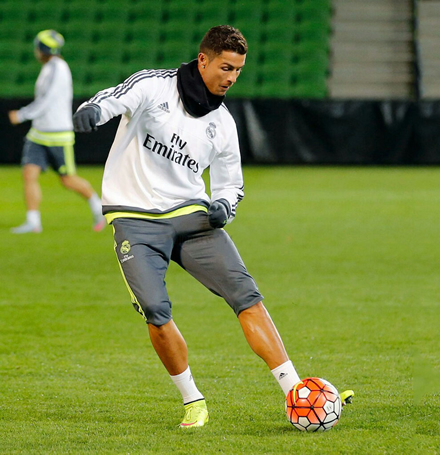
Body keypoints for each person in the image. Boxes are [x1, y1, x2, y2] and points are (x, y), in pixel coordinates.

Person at [73, 25, 352, 428]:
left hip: (191, 218)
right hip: (134, 218)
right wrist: (94, 111)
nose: (232, 77)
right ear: (203, 60)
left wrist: (223, 205)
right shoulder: (154, 86)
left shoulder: (222, 122)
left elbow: (230, 184)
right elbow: (115, 98)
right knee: (155, 310)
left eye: (238, 70)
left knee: (246, 295)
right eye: (226, 67)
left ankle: (296, 392)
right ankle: (193, 400)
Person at [9, 29, 105, 234]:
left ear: (42, 49)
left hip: (58, 133)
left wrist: (22, 114)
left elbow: (47, 100)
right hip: (39, 133)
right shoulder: (49, 68)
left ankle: (99, 209)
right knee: (29, 174)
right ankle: (33, 221)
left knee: (68, 180)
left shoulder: (57, 68)